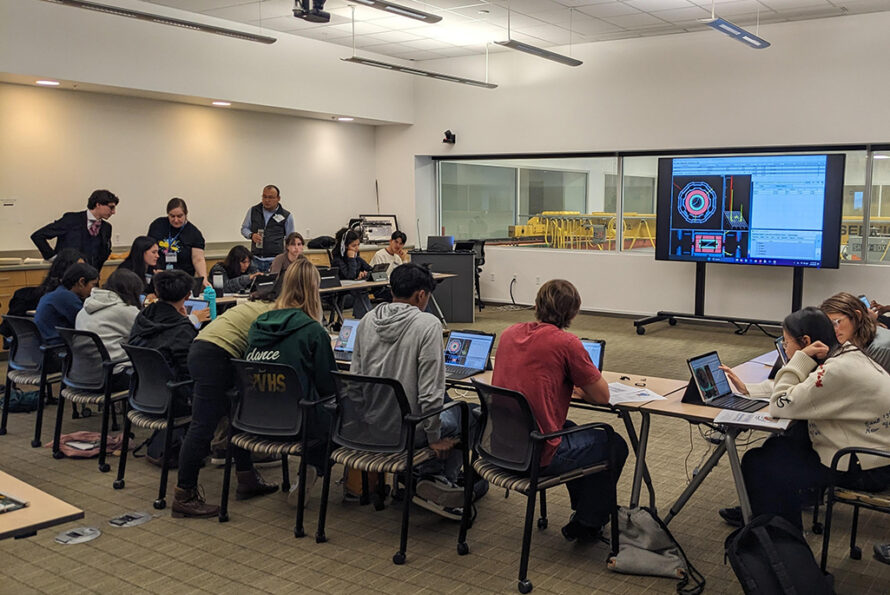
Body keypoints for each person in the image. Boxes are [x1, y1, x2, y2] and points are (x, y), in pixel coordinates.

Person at [719, 307, 890, 530]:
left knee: (760, 463)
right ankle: (763, 513)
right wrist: (749, 389)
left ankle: (780, 535)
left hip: (865, 468)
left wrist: (798, 360)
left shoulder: (836, 370)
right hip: (871, 454)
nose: (785, 349)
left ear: (807, 341)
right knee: (780, 445)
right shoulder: (847, 353)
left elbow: (781, 404)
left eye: (786, 343)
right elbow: (808, 388)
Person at [492, 279, 628, 541]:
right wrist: (578, 386)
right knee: (613, 443)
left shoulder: (509, 333)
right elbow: (602, 396)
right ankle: (588, 521)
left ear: (536, 305)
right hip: (537, 453)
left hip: (502, 445)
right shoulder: (566, 343)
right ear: (573, 313)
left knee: (575, 431)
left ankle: (585, 515)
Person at [351, 263, 479, 519]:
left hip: (372, 426)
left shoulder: (366, 320)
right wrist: (433, 438)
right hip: (409, 429)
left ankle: (422, 476)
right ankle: (438, 478)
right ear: (421, 295)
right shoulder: (427, 324)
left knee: (448, 401)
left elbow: (355, 380)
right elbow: (430, 393)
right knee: (473, 415)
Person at [171, 275, 282, 518]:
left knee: (236, 415)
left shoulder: (254, 305)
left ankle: (247, 477)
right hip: (215, 356)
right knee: (202, 426)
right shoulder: (275, 313)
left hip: (203, 348)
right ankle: (184, 495)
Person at [245, 258, 336, 506]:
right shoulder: (312, 331)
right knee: (341, 412)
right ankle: (318, 471)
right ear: (314, 290)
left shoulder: (257, 326)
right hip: (297, 425)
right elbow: (329, 386)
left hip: (255, 420)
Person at [129, 269, 207, 415]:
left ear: (157, 292)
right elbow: (191, 368)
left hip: (140, 392)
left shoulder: (142, 317)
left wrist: (184, 320)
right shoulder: (182, 330)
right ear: (188, 296)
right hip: (175, 399)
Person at [74, 268, 143, 392]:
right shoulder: (125, 311)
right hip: (112, 377)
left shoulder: (84, 309)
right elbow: (145, 334)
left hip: (80, 374)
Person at [0, 248, 84, 344]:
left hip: (35, 349)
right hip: (57, 347)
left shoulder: (49, 292)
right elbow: (82, 321)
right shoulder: (63, 296)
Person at [31, 189, 119, 269]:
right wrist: (54, 258)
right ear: (98, 204)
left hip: (90, 279)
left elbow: (104, 252)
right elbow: (38, 236)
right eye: (111, 207)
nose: (113, 212)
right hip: (66, 277)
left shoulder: (106, 227)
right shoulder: (71, 220)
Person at [821, 292, 890, 373]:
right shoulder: (856, 340)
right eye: (829, 326)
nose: (833, 330)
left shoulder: (881, 348)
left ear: (857, 316)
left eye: (836, 323)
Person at [34, 262, 99, 345]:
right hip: (58, 347)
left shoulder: (57, 293)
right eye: (93, 284)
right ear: (81, 282)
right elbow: (87, 323)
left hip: (46, 345)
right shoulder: (67, 297)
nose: (94, 289)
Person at [147, 198, 208, 282]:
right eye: (172, 216)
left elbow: (198, 259)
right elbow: (148, 249)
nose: (176, 220)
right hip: (158, 276)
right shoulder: (158, 225)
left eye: (179, 216)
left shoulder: (194, 233)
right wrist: (154, 269)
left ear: (186, 214)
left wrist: (204, 279)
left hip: (182, 280)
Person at [240, 184, 295, 272]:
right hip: (255, 259)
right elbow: (244, 228)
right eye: (264, 197)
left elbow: (291, 239)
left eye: (271, 197)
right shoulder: (253, 211)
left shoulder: (286, 216)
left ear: (278, 198)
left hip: (276, 260)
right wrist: (251, 235)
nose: (267, 200)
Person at [331, 226, 372, 319]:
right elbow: (350, 276)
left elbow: (371, 269)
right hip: (342, 295)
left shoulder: (357, 258)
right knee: (360, 292)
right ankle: (365, 319)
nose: (357, 248)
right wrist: (351, 259)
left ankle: (365, 318)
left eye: (358, 245)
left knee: (362, 290)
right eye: (354, 246)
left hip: (356, 290)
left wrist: (364, 274)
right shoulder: (337, 261)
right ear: (344, 246)